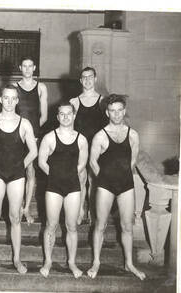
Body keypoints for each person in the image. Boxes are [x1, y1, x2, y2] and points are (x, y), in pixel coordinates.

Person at [87, 94, 145, 280]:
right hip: (105, 185)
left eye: (120, 110)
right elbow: (93, 162)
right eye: (113, 111)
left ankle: (129, 263)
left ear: (124, 111)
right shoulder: (100, 136)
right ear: (107, 112)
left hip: (126, 185)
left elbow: (133, 161)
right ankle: (96, 261)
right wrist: (105, 180)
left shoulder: (133, 134)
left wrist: (121, 178)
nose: (117, 114)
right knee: (100, 225)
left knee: (127, 226)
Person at [0, 85, 38, 274]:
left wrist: (20, 166)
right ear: (0, 99)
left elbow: (33, 151)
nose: (10, 102)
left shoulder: (24, 123)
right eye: (6, 98)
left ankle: (17, 259)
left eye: (13, 98)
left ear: (17, 100)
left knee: (15, 217)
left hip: (16, 175)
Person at [38, 101, 88, 278]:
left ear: (74, 115)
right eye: (62, 114)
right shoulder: (49, 137)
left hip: (73, 186)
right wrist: (56, 175)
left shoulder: (81, 139)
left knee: (72, 226)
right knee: (51, 225)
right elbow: (41, 161)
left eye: (69, 113)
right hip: (54, 186)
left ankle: (72, 262)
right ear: (57, 116)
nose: (66, 117)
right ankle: (48, 262)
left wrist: (69, 175)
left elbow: (82, 165)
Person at [69, 66, 108, 224]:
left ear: (95, 78)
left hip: (97, 148)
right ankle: (79, 210)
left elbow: (108, 127)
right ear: (80, 81)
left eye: (90, 76)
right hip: (80, 147)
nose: (87, 80)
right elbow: (69, 126)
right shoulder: (74, 102)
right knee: (79, 178)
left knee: (94, 180)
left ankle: (93, 210)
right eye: (84, 77)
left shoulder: (103, 101)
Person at [13, 56, 48, 223]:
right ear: (20, 67)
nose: (27, 69)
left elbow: (44, 117)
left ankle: (26, 209)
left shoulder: (41, 87)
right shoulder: (14, 87)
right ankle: (17, 208)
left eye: (30, 66)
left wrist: (32, 134)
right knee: (17, 172)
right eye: (24, 66)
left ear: (34, 68)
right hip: (15, 136)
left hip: (33, 135)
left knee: (30, 171)